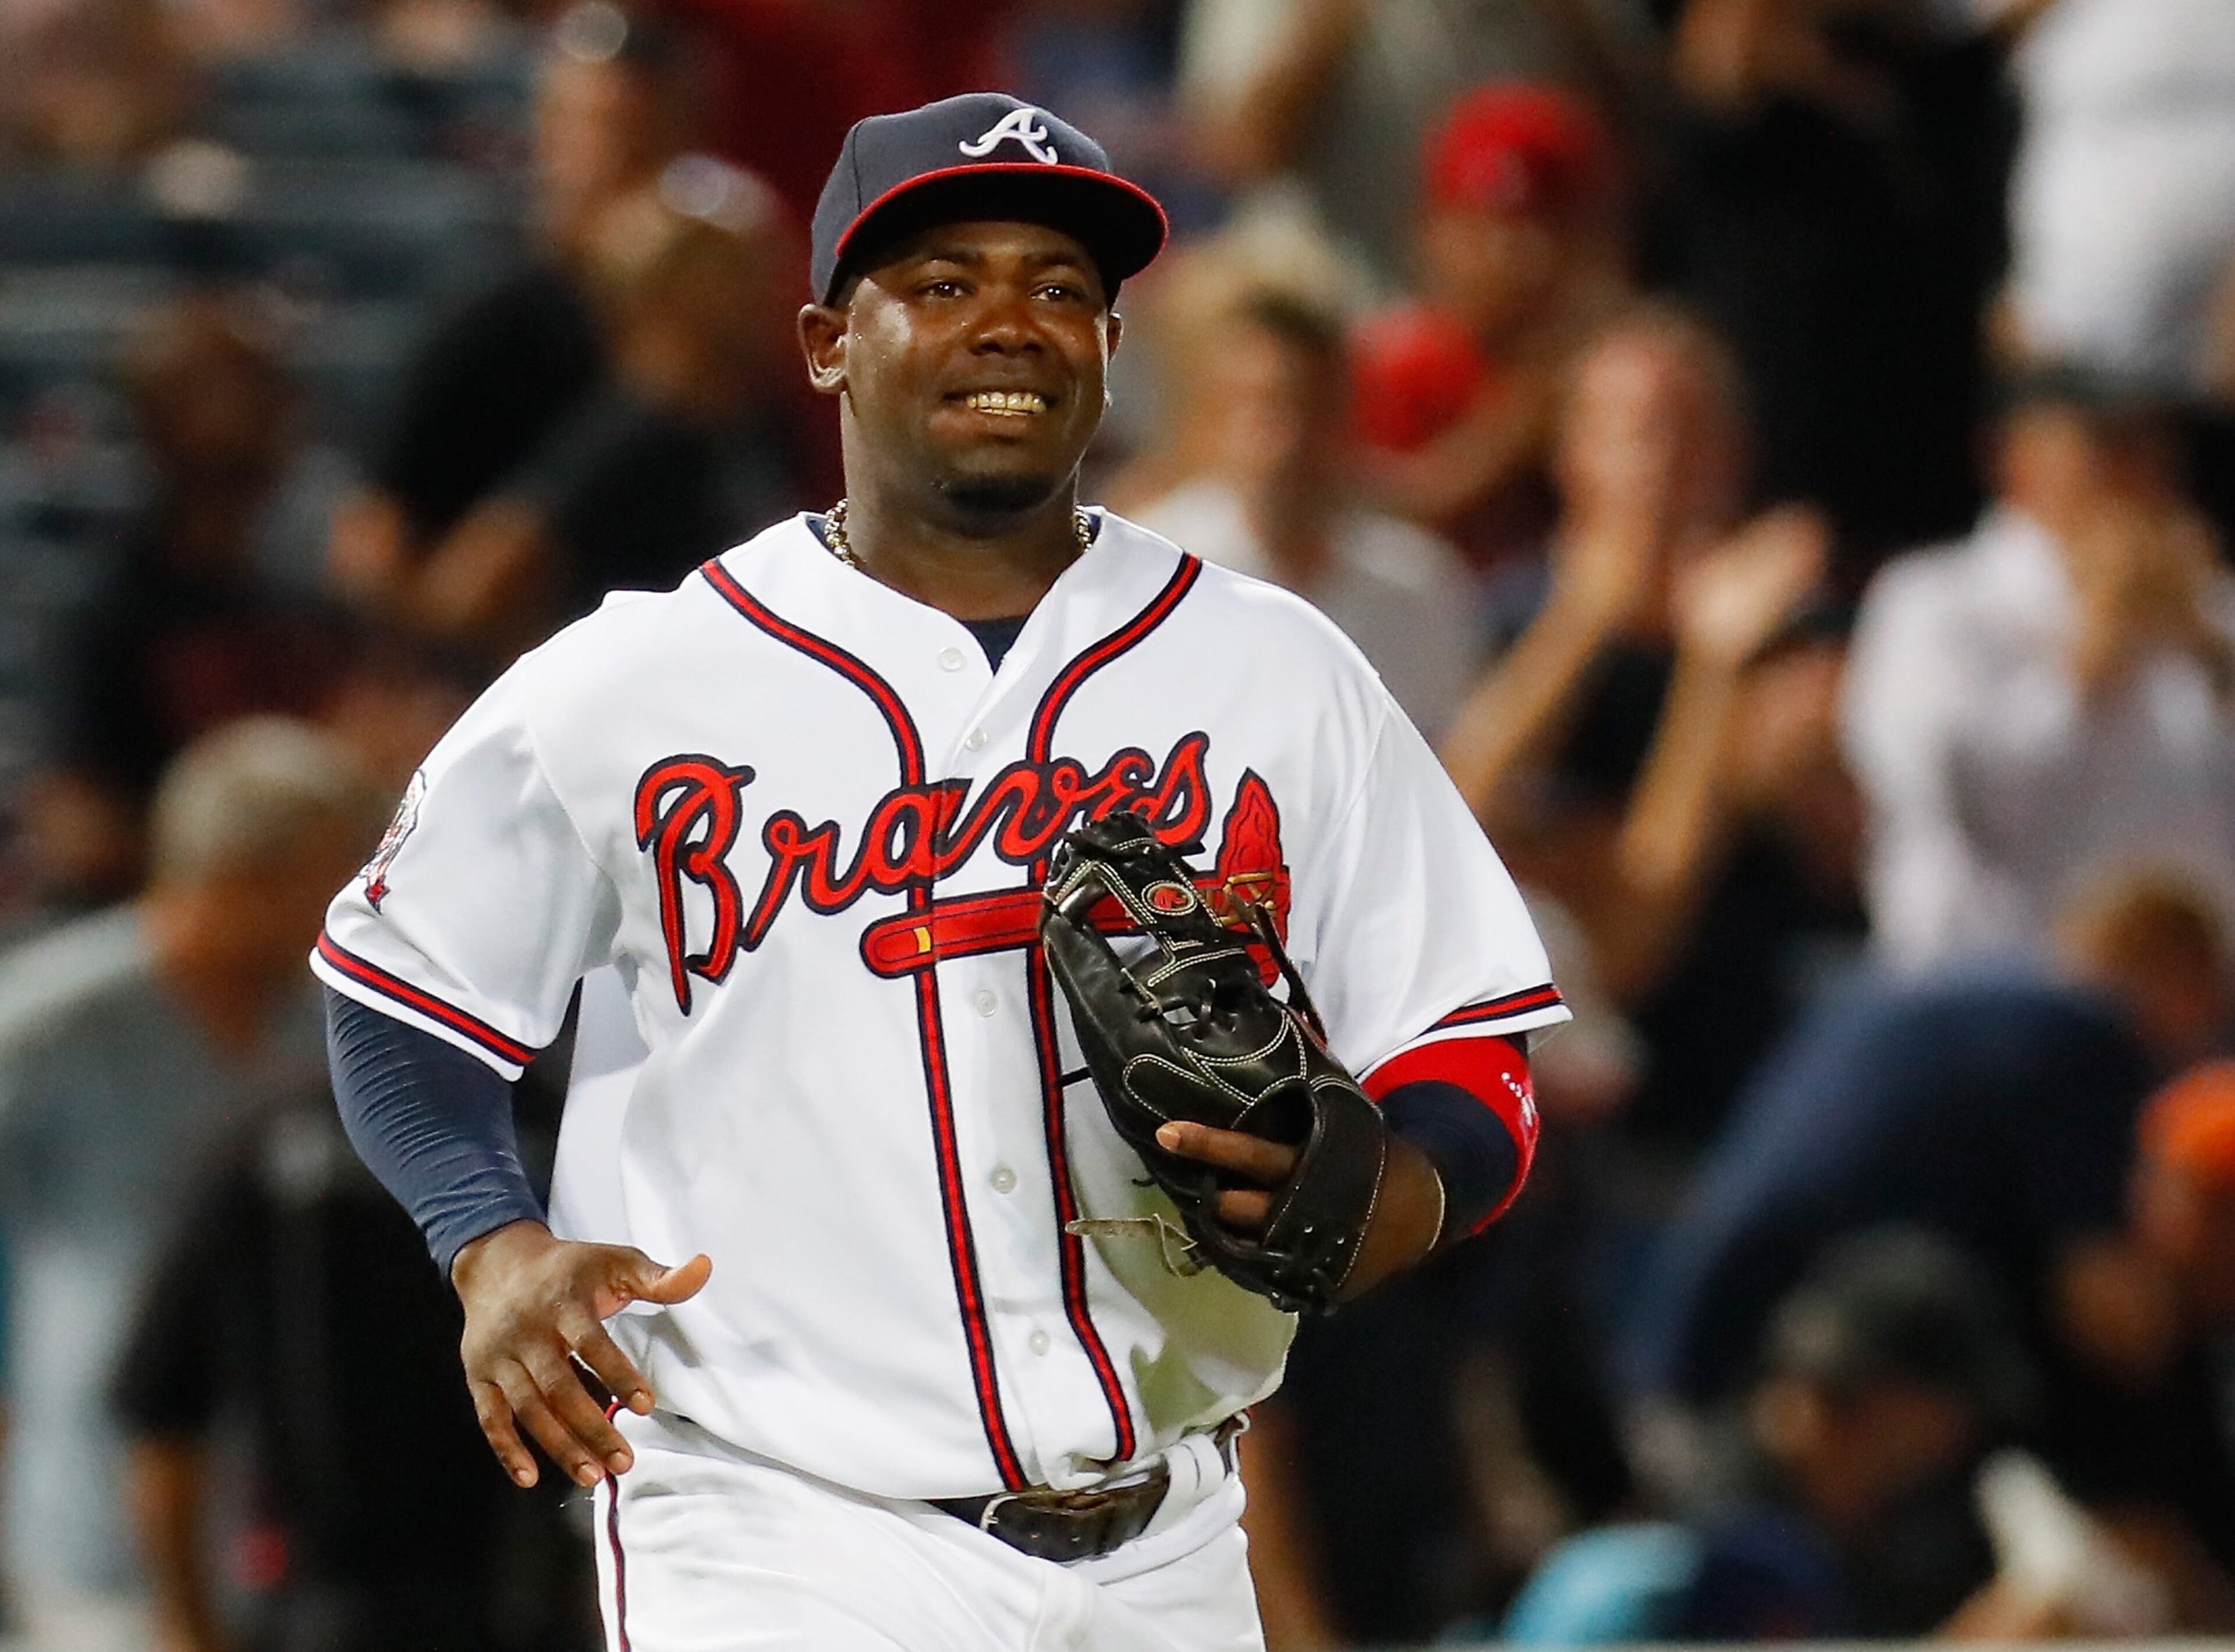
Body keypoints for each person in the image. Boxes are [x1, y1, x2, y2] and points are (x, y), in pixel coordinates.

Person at [314, 93, 1568, 1649]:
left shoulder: (1274, 667)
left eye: (1059, 288)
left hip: (1170, 1528)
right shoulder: (637, 681)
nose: (1010, 324)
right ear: (829, 339)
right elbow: (398, 994)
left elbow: (1471, 1040)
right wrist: (487, 1239)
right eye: (944, 282)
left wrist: (1406, 1186)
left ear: (1113, 346)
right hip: (780, 1521)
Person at [1439, 307, 1859, 1153]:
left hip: (1762, 1058)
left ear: (1734, 459)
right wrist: (1589, 616)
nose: (1661, 461)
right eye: (1633, 430)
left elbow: (1841, 831)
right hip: (1577, 1092)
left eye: (1688, 431)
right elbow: (1450, 819)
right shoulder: (1506, 623)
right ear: (1571, 455)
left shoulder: (1799, 629)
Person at [0, 719, 382, 1639]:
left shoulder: (330, 1022)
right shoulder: (52, 1021)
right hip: (98, 1509)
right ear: (243, 874)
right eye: (330, 871)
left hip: (295, 1522)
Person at [113, 1077, 596, 1652]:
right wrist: (188, 1625)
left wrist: (188, 1625)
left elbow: (161, 1412)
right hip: (425, 1596)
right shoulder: (565, 1127)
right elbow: (163, 1405)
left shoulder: (265, 1139)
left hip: (462, 1597)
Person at [1844, 368, 2235, 973]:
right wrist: (2089, 664)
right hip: (1994, 1004)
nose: (2138, 469)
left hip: (2198, 1013)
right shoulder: (1936, 601)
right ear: (2016, 459)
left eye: (2152, 444)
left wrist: (2210, 656)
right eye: (2105, 444)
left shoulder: (2212, 610)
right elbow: (1958, 796)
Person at [1127, 251, 1481, 738]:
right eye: (1255, 407)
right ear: (1206, 412)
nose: (1283, 441)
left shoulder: (1416, 586)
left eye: (1305, 406)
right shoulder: (1146, 576)